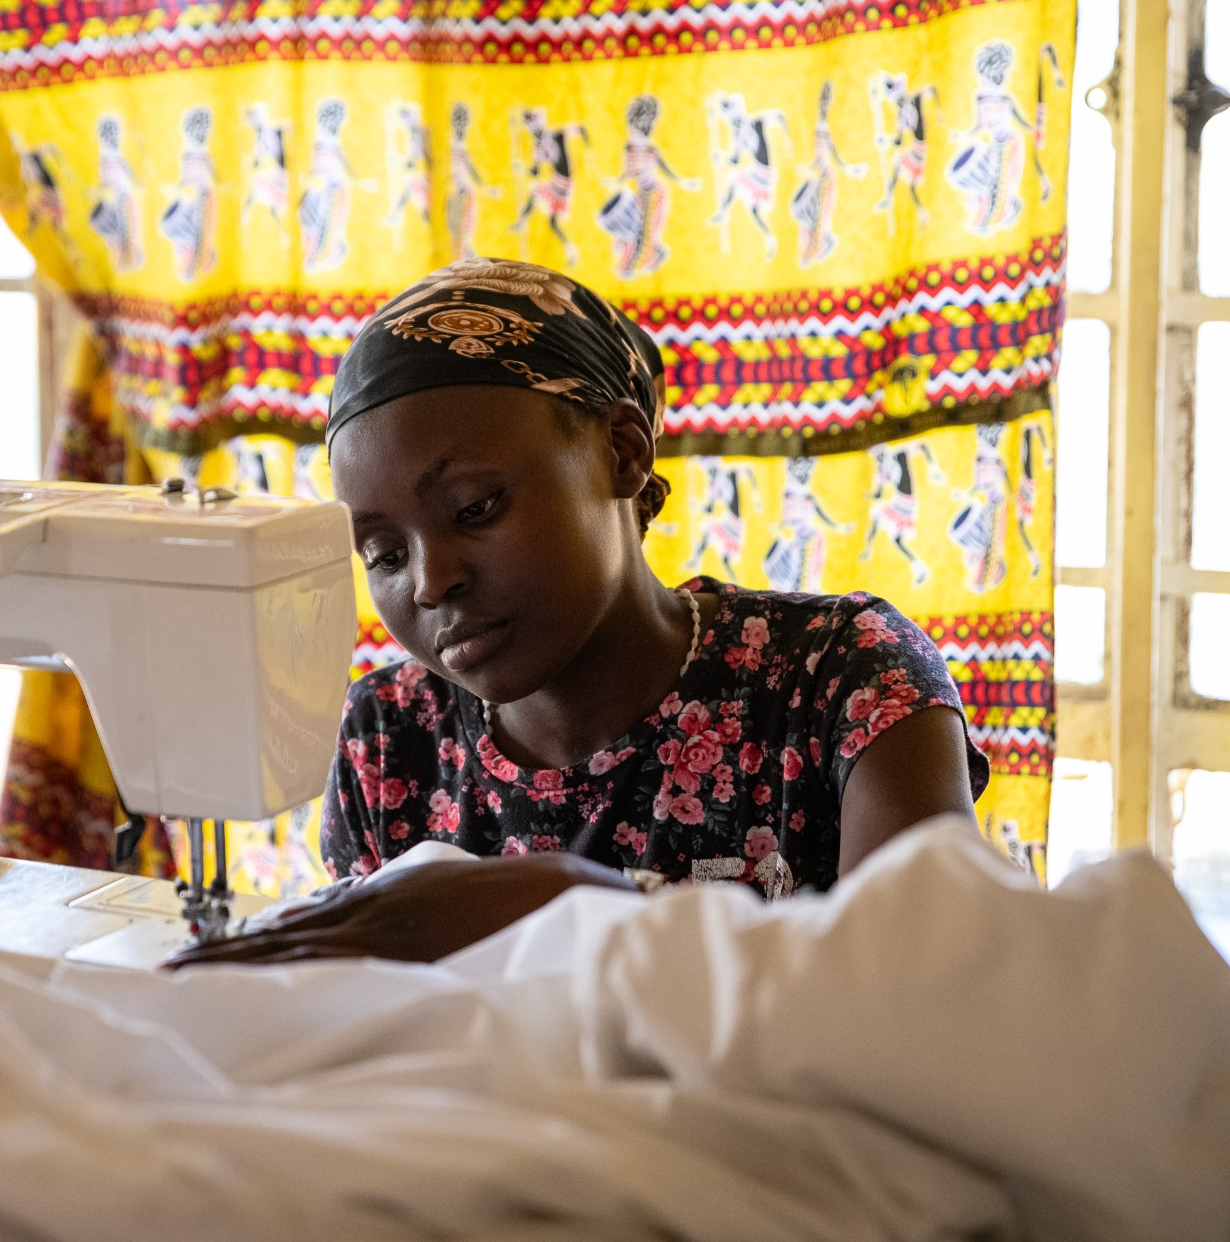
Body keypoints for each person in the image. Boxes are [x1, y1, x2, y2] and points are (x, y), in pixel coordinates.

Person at [170, 257, 985, 968]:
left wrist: (573, 907)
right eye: (383, 554)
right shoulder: (391, 738)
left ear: (622, 453)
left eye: (476, 507)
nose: (430, 582)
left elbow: (927, 994)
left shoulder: (844, 679)